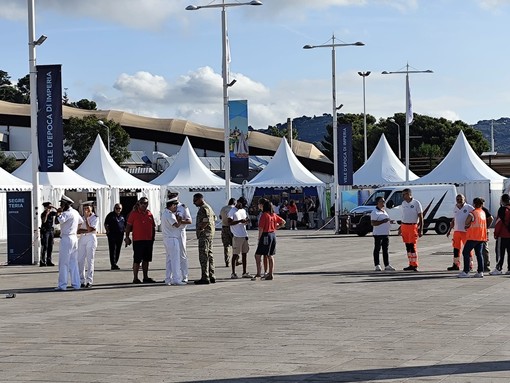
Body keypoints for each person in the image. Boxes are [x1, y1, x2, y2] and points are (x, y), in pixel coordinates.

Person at [124, 196, 156, 284]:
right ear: (139, 203)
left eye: (146, 203)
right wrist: (127, 237)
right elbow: (128, 226)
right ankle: (135, 278)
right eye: (142, 203)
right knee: (137, 260)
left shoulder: (149, 214)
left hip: (148, 240)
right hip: (138, 240)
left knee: (146, 259)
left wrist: (153, 238)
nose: (144, 205)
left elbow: (153, 226)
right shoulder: (134, 213)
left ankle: (145, 277)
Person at [54, 195, 83, 291]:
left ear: (66, 204)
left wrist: (58, 213)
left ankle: (62, 285)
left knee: (63, 263)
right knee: (73, 262)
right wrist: (74, 230)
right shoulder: (75, 212)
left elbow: (57, 221)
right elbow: (80, 222)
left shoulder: (66, 213)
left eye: (62, 204)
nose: (61, 205)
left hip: (66, 238)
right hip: (74, 237)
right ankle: (76, 284)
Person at [252, 200, 285, 281]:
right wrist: (276, 227)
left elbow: (261, 228)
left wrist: (259, 239)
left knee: (258, 255)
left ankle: (258, 273)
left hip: (265, 235)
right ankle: (270, 273)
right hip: (272, 235)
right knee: (270, 255)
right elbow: (283, 222)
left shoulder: (264, 215)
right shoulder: (273, 215)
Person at [458, 197, 487, 278]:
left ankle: (466, 271)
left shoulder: (473, 213)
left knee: (465, 252)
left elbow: (467, 221)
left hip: (473, 236)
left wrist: (467, 226)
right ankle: (480, 271)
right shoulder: (482, 212)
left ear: (474, 204)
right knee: (479, 254)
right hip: (481, 237)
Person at [446, 194, 474, 271]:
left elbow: (475, 217)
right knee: (456, 248)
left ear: (464, 199)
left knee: (468, 249)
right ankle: (456, 264)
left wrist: (470, 226)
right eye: (457, 199)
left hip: (466, 232)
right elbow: (454, 220)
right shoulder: (455, 208)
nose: (459, 200)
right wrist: (449, 230)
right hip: (457, 231)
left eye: (460, 199)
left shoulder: (469, 207)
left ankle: (470, 265)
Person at [193, 193, 216, 285]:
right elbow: (214, 217)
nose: (194, 203)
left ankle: (205, 276)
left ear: (200, 199)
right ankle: (212, 275)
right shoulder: (209, 207)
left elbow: (206, 220)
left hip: (205, 235)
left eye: (195, 200)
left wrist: (200, 228)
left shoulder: (203, 208)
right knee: (210, 255)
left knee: (203, 256)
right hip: (209, 234)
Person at [161, 198, 185, 286]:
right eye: (174, 205)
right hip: (172, 238)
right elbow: (176, 225)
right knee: (175, 259)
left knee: (169, 260)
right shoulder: (170, 215)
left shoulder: (165, 213)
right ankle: (177, 279)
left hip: (167, 238)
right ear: (171, 206)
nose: (175, 207)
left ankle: (168, 278)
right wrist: (180, 218)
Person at [400, 188, 423, 271]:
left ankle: (415, 264)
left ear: (409, 194)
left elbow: (421, 217)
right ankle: (410, 263)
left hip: (412, 226)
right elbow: (404, 216)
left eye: (404, 194)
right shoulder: (403, 203)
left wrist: (421, 229)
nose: (403, 196)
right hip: (404, 226)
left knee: (413, 246)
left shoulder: (416, 203)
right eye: (402, 194)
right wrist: (400, 228)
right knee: (407, 246)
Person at [228, 197, 251, 279]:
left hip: (244, 234)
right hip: (237, 236)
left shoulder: (243, 211)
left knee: (245, 254)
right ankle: (233, 273)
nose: (242, 206)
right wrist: (239, 221)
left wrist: (246, 221)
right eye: (242, 204)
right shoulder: (232, 211)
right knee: (235, 255)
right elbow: (229, 222)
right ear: (238, 202)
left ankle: (244, 272)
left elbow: (245, 221)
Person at [370, 196, 395, 271]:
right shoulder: (374, 212)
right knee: (377, 249)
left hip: (385, 233)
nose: (384, 203)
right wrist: (382, 221)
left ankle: (387, 265)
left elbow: (385, 219)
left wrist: (389, 221)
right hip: (378, 234)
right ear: (378, 203)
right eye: (382, 201)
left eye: (384, 201)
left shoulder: (384, 210)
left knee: (385, 250)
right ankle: (377, 264)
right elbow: (373, 223)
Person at [77, 203, 98, 288]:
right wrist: (86, 230)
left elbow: (91, 229)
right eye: (85, 208)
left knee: (90, 260)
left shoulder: (95, 218)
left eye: (88, 208)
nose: (86, 210)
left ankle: (89, 280)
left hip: (91, 239)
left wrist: (86, 219)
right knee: (80, 260)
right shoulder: (81, 218)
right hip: (82, 238)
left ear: (91, 209)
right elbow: (78, 230)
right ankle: (81, 280)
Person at [174, 193, 192, 283]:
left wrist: (180, 221)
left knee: (182, 254)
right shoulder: (168, 208)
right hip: (171, 232)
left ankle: (185, 275)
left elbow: (189, 220)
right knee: (172, 255)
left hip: (180, 231)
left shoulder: (183, 207)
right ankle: (174, 275)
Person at [491, 193, 510, 275]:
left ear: (502, 200)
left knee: (500, 253)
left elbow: (499, 223)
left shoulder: (502, 209)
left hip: (502, 235)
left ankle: (498, 268)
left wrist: (496, 234)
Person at [104, 203, 125, 270]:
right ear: (114, 208)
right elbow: (106, 223)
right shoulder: (110, 215)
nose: (118, 210)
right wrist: (107, 231)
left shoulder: (122, 216)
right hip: (112, 234)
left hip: (120, 234)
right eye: (117, 208)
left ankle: (115, 262)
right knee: (113, 249)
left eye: (119, 208)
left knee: (118, 248)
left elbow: (125, 223)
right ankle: (113, 264)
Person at [219, 198, 236, 267]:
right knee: (235, 245)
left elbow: (220, 217)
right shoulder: (234, 209)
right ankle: (235, 260)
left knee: (226, 246)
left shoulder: (223, 208)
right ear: (234, 203)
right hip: (233, 228)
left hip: (224, 227)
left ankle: (227, 261)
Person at [40, 202, 57, 267]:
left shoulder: (52, 213)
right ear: (45, 207)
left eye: (50, 207)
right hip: (45, 231)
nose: (49, 208)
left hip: (51, 231)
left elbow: (58, 212)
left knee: (50, 246)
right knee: (45, 246)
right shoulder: (43, 214)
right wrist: (46, 214)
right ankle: (42, 261)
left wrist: (54, 208)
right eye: (48, 207)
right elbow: (44, 221)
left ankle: (49, 260)